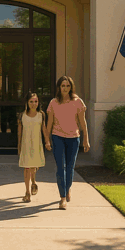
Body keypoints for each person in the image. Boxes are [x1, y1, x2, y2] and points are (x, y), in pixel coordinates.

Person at [44, 75, 90, 210]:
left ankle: (67, 187)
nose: (65, 88)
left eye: (67, 86)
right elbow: (49, 124)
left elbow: (83, 123)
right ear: (59, 87)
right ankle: (62, 198)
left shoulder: (77, 102)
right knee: (60, 168)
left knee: (70, 168)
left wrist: (86, 139)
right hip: (57, 137)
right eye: (63, 86)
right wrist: (47, 140)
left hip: (73, 138)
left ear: (71, 87)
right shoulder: (53, 103)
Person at [17, 92, 47, 202]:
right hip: (26, 145)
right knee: (27, 168)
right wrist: (19, 146)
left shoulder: (41, 115)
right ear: (27, 102)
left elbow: (44, 129)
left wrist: (47, 142)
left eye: (36, 101)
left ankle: (33, 182)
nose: (34, 104)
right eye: (31, 101)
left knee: (33, 167)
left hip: (36, 145)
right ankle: (27, 192)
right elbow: (19, 133)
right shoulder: (22, 115)